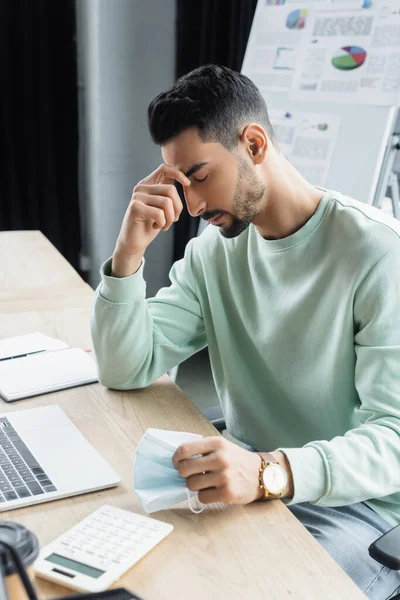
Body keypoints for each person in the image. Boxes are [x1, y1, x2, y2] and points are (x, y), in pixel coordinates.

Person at [91, 65, 400, 598]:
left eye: (201, 175)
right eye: (181, 183)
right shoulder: (216, 251)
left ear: (253, 143)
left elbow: (394, 441)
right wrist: (127, 255)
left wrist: (268, 472)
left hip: (359, 512)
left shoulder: (378, 255)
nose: (190, 206)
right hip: (247, 483)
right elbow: (126, 366)